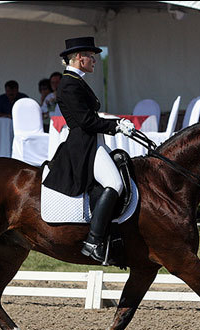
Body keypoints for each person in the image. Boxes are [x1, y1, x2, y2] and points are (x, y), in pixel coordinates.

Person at [42, 36, 135, 264]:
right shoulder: (69, 83)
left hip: (93, 141)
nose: (94, 60)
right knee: (115, 184)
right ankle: (93, 241)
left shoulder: (77, 80)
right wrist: (117, 125)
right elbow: (85, 121)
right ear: (79, 58)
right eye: (91, 56)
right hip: (83, 145)